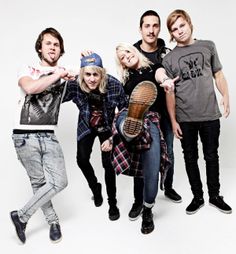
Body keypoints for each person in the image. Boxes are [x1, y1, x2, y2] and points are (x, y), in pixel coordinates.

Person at [162, 9, 232, 215]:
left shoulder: (208, 46)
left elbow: (218, 74)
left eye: (181, 25)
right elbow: (170, 93)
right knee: (190, 157)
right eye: (174, 29)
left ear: (190, 23)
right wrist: (174, 120)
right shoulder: (169, 59)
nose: (179, 31)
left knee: (212, 156)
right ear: (171, 34)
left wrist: (226, 96)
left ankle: (215, 196)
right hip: (186, 117)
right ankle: (197, 197)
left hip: (210, 114)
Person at [10, 27, 75, 244]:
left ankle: (21, 216)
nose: (53, 48)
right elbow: (31, 89)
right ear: (40, 47)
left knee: (59, 181)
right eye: (49, 43)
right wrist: (57, 74)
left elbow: (91, 82)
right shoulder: (28, 69)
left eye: (56, 45)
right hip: (24, 136)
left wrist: (89, 63)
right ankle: (53, 222)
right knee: (39, 183)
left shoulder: (66, 75)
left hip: (49, 135)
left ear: (60, 50)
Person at [113, 42, 178, 234]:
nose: (126, 57)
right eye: (122, 58)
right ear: (122, 64)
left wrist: (165, 81)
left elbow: (160, 75)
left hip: (152, 121)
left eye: (127, 52)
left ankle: (148, 208)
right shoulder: (125, 81)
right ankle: (128, 128)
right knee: (123, 116)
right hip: (130, 117)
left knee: (151, 165)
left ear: (134, 51)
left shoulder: (154, 67)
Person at [128, 10, 182, 221]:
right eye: (147, 26)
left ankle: (167, 187)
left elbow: (171, 86)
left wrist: (175, 117)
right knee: (141, 156)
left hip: (165, 114)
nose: (151, 30)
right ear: (140, 28)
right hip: (142, 116)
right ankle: (138, 200)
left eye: (155, 25)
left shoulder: (166, 53)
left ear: (160, 28)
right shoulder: (132, 52)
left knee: (169, 151)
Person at [63, 53, 128, 221]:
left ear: (102, 74)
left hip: (107, 126)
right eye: (88, 74)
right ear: (82, 74)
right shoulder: (75, 84)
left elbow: (124, 113)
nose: (91, 79)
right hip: (87, 124)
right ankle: (95, 188)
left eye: (95, 74)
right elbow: (55, 96)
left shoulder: (114, 85)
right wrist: (60, 74)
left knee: (108, 165)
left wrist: (113, 137)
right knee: (82, 159)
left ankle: (112, 203)